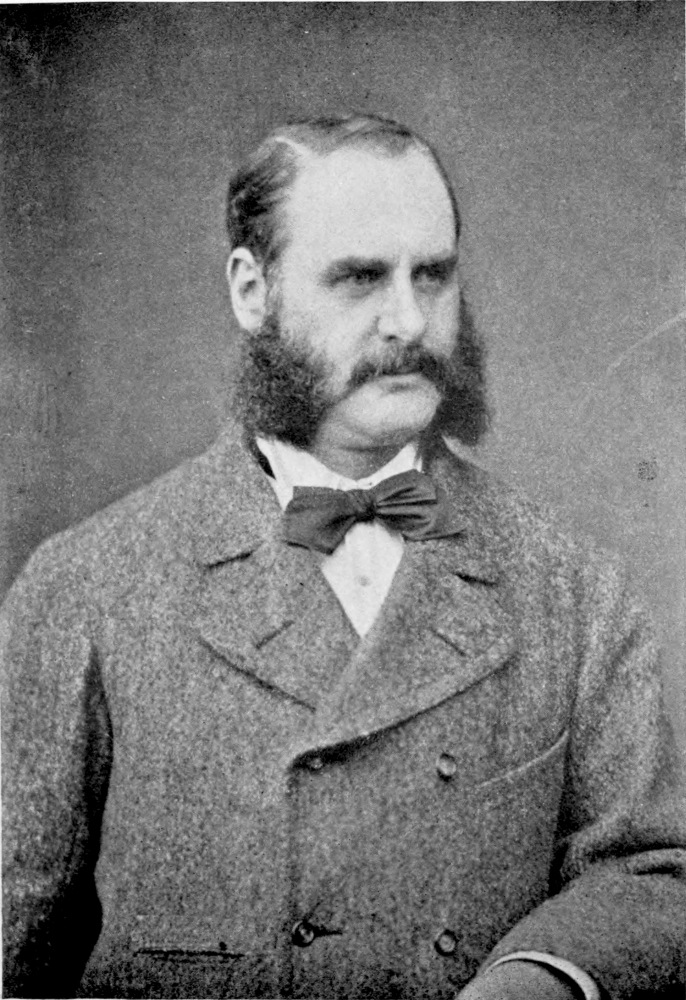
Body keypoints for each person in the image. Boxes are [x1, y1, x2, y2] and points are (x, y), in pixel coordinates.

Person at [2, 114, 684, 1000]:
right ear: (253, 292)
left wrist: (539, 980)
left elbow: (651, 873)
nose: (409, 320)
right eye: (361, 277)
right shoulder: (84, 586)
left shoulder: (576, 591)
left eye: (432, 274)